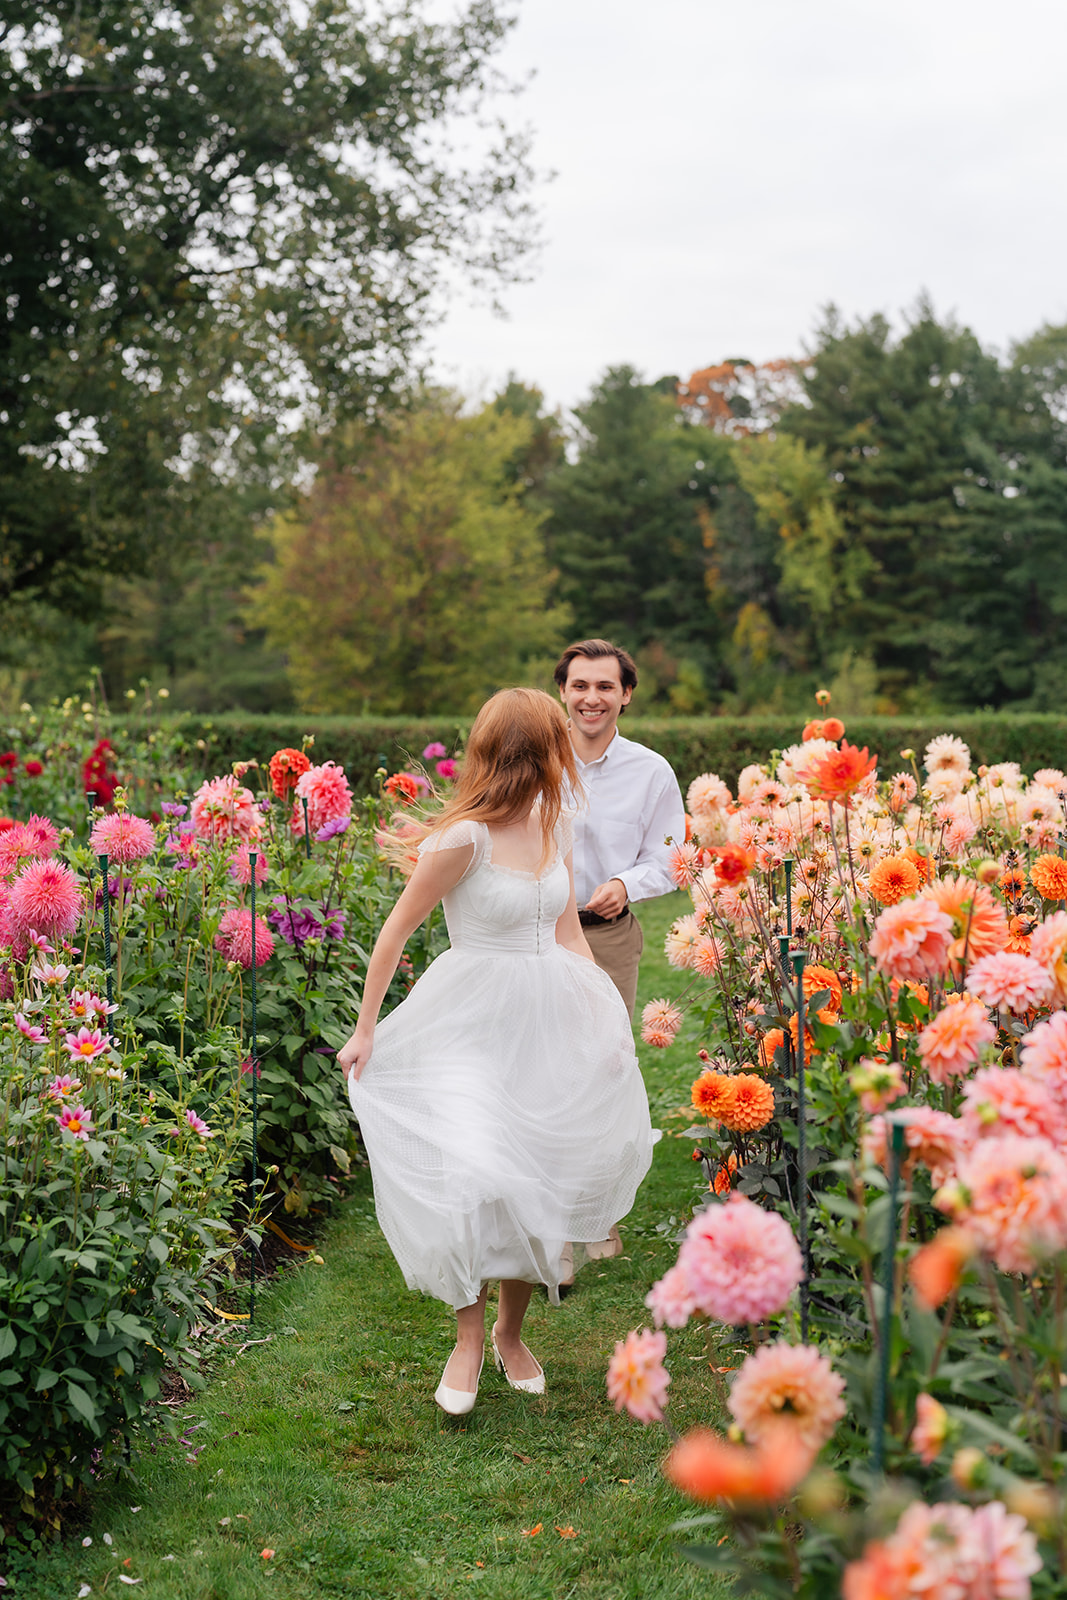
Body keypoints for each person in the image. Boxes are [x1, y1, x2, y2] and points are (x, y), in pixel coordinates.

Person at [337, 687, 654, 1417]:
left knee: (532, 1178)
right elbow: (395, 933)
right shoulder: (462, 840)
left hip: (544, 1020)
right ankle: (468, 1337)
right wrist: (365, 1028)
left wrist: (602, 1013)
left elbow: (566, 932)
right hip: (468, 1021)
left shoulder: (556, 822)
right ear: (533, 750)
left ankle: (513, 1334)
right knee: (474, 1173)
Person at [554, 638, 686, 1018]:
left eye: (605, 687)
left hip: (607, 937)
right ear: (562, 691)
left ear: (626, 694)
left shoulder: (652, 772)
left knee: (605, 1057)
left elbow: (670, 859)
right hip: (534, 934)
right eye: (580, 686)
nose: (591, 698)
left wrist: (625, 884)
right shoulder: (534, 760)